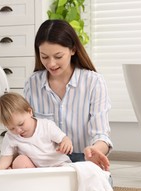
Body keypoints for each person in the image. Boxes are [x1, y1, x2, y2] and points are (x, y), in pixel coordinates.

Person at [24, 19, 113, 171]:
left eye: (58, 56)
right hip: (45, 159)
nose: (51, 64)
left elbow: (100, 134)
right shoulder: (33, 83)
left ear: (73, 50)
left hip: (83, 159)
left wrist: (95, 150)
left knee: (94, 189)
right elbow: (26, 127)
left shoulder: (93, 82)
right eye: (44, 57)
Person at [0, 92, 73, 170]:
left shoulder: (46, 125)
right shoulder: (10, 136)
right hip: (35, 169)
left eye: (21, 124)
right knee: (20, 161)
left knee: (66, 171)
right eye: (12, 128)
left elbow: (63, 138)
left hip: (58, 165)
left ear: (29, 112)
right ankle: (32, 181)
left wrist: (66, 143)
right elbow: (6, 156)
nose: (18, 130)